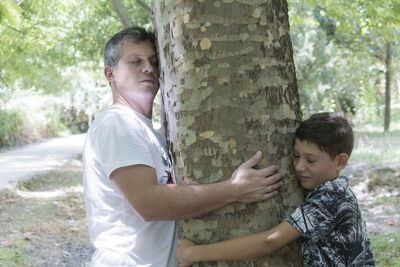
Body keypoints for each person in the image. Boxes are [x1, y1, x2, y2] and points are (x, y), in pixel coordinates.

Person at [82, 26, 284, 267]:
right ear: (110, 74)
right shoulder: (117, 124)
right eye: (135, 61)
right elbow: (149, 203)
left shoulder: (150, 132)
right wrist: (234, 189)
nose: (148, 68)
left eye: (154, 61)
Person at [177, 112, 375, 266]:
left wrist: (193, 253)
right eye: (296, 156)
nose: (299, 167)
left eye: (311, 160)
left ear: (340, 161)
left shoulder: (330, 197)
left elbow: (269, 241)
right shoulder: (338, 191)